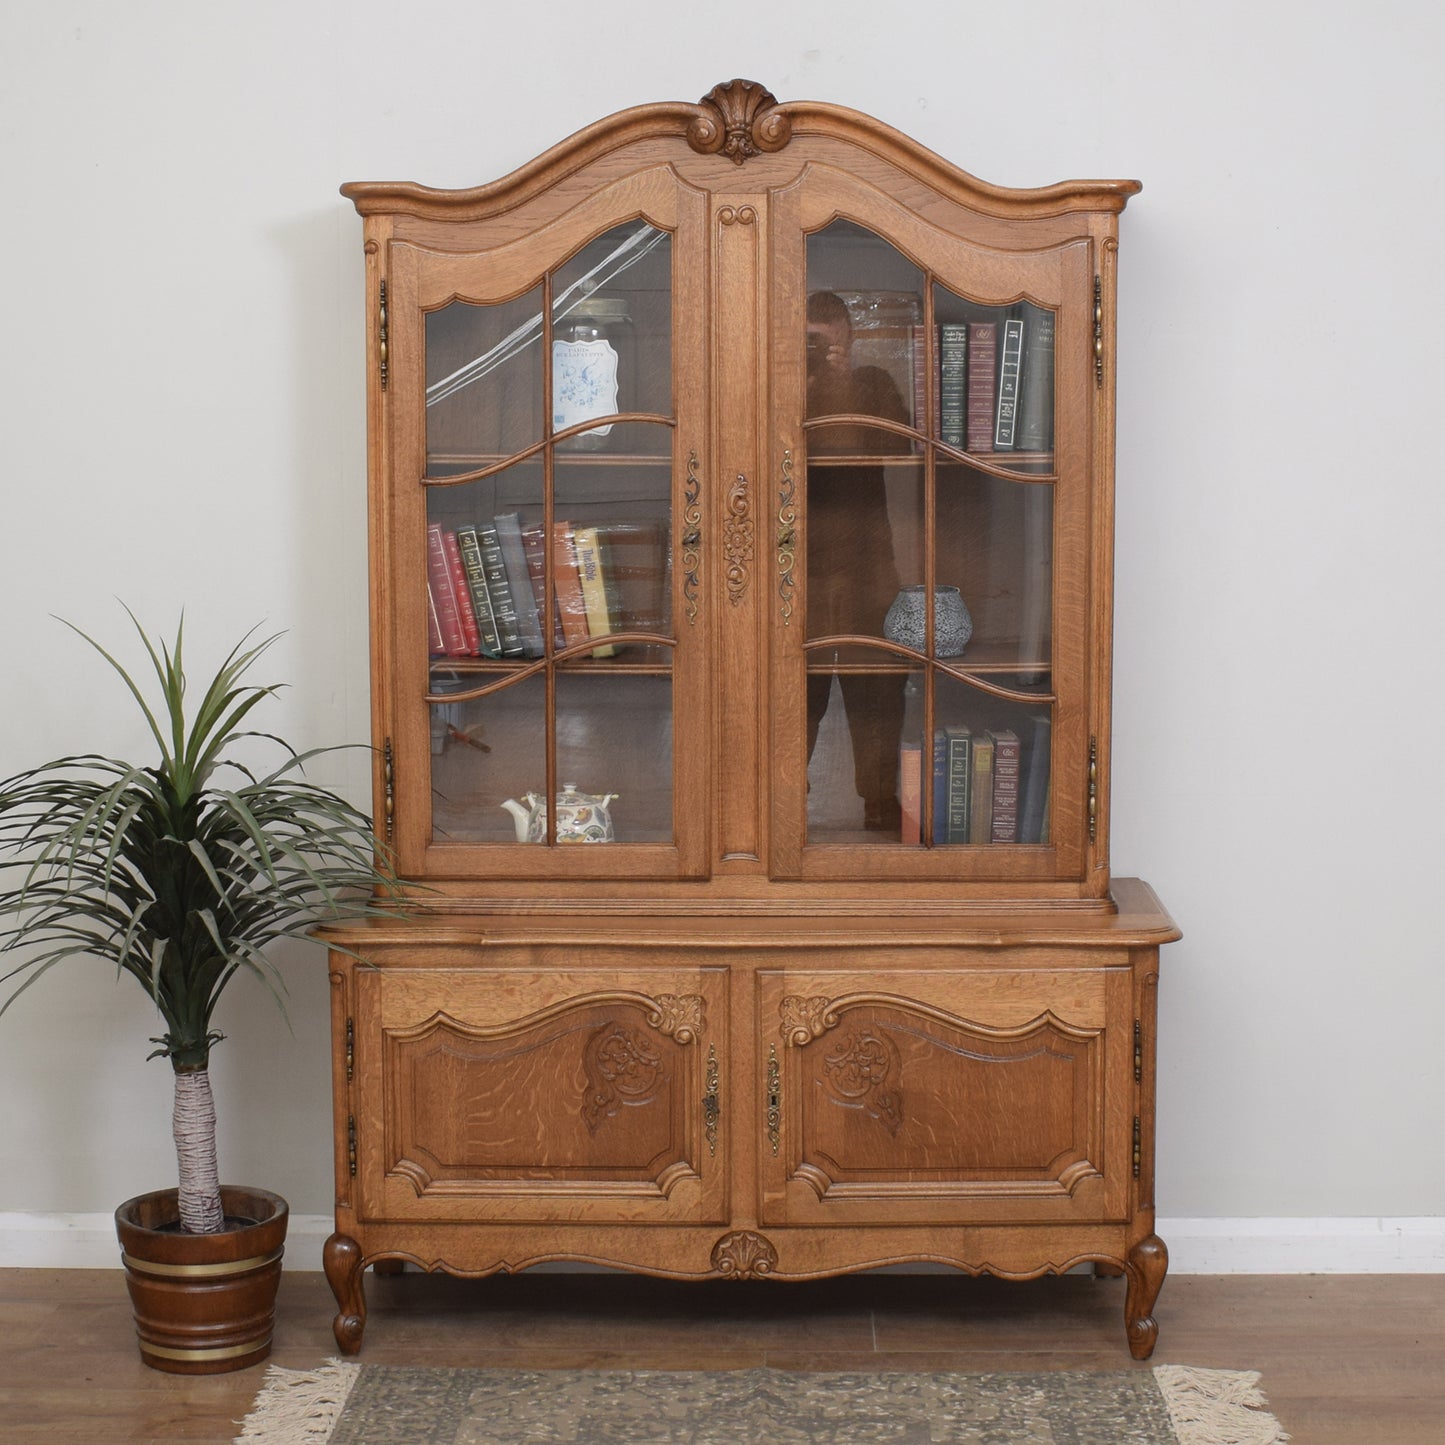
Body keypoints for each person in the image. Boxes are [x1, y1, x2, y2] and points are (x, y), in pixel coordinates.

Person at [804, 291, 912, 835]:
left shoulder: (869, 383)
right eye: (809, 340)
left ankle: (880, 805)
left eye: (828, 338)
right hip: (796, 566)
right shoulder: (783, 384)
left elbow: (901, 448)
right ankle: (777, 806)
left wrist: (842, 383)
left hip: (868, 561)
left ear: (850, 337)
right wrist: (805, 386)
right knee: (794, 690)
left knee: (877, 691)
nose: (820, 349)